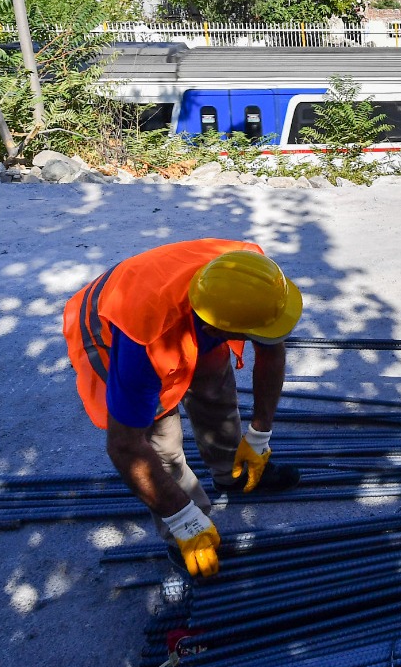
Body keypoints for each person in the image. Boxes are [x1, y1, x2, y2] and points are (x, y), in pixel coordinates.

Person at [63, 239, 304, 578]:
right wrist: (180, 518)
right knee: (162, 439)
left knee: (214, 383)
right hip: (112, 321)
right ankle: (188, 532)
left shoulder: (252, 275)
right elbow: (125, 446)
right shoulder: (143, 344)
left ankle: (230, 472)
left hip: (177, 304)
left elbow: (271, 349)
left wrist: (259, 434)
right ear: (213, 327)